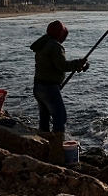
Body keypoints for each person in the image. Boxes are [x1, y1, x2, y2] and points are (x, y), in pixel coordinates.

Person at [30, 20, 88, 165]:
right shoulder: (55, 46)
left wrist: (77, 66)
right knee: (59, 117)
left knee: (44, 120)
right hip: (49, 88)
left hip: (38, 86)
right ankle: (57, 156)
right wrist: (77, 63)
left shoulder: (42, 44)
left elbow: (52, 66)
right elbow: (61, 65)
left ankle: (43, 150)